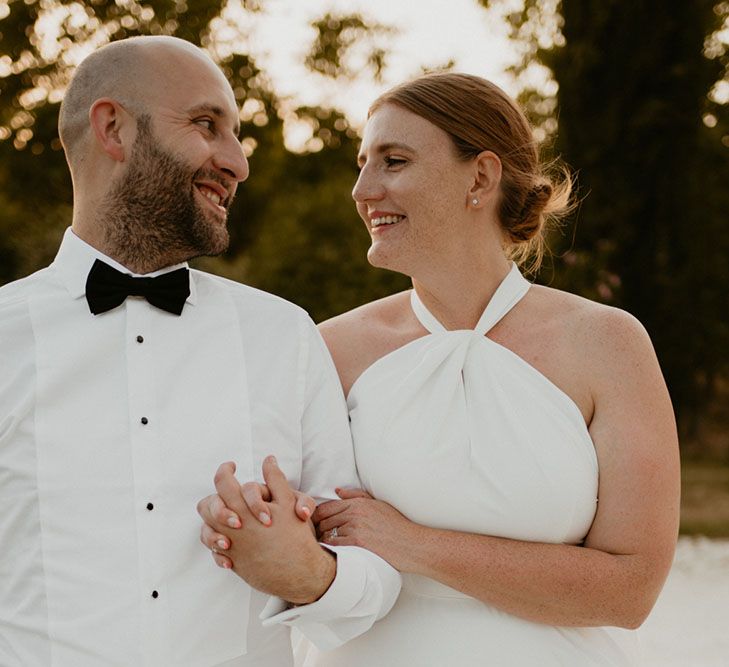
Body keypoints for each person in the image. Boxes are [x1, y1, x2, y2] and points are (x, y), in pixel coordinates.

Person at [199, 73, 680, 666]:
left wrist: (413, 544)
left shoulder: (607, 343)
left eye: (392, 161)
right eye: (362, 163)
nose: (361, 189)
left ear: (480, 177)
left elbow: (631, 590)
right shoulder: (329, 349)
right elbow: (295, 543)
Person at [0, 35, 400, 666]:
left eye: (235, 135)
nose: (238, 162)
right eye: (208, 125)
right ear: (114, 129)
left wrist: (310, 576)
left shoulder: (285, 337)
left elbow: (372, 577)